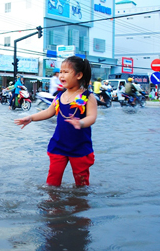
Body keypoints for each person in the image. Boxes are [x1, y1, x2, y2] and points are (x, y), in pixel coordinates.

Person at [14, 56, 97, 187]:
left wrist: (80, 123)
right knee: (52, 182)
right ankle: (53, 205)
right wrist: (31, 118)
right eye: (60, 72)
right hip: (59, 145)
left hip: (80, 147)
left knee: (82, 183)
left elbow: (92, 117)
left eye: (66, 72)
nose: (61, 75)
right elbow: (48, 112)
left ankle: (80, 205)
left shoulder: (88, 96)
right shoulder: (60, 96)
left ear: (79, 75)